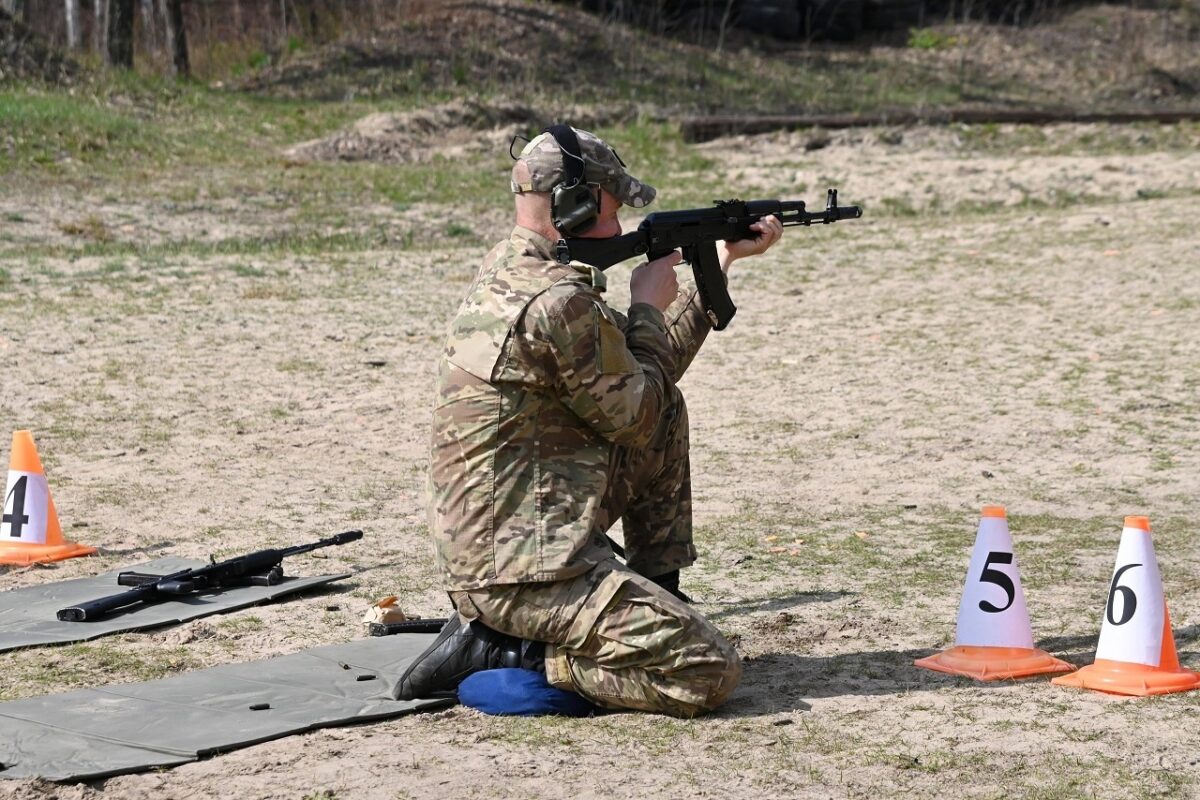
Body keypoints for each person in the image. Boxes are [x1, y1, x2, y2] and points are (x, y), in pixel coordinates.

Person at [395, 125, 783, 717]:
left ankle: (659, 595)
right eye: (612, 208)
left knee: (666, 410)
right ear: (574, 205)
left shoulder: (511, 268)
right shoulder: (558, 301)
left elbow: (641, 388)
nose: (621, 223)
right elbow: (635, 413)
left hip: (519, 536)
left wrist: (721, 262)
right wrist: (647, 305)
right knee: (707, 670)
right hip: (522, 575)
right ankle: (512, 652)